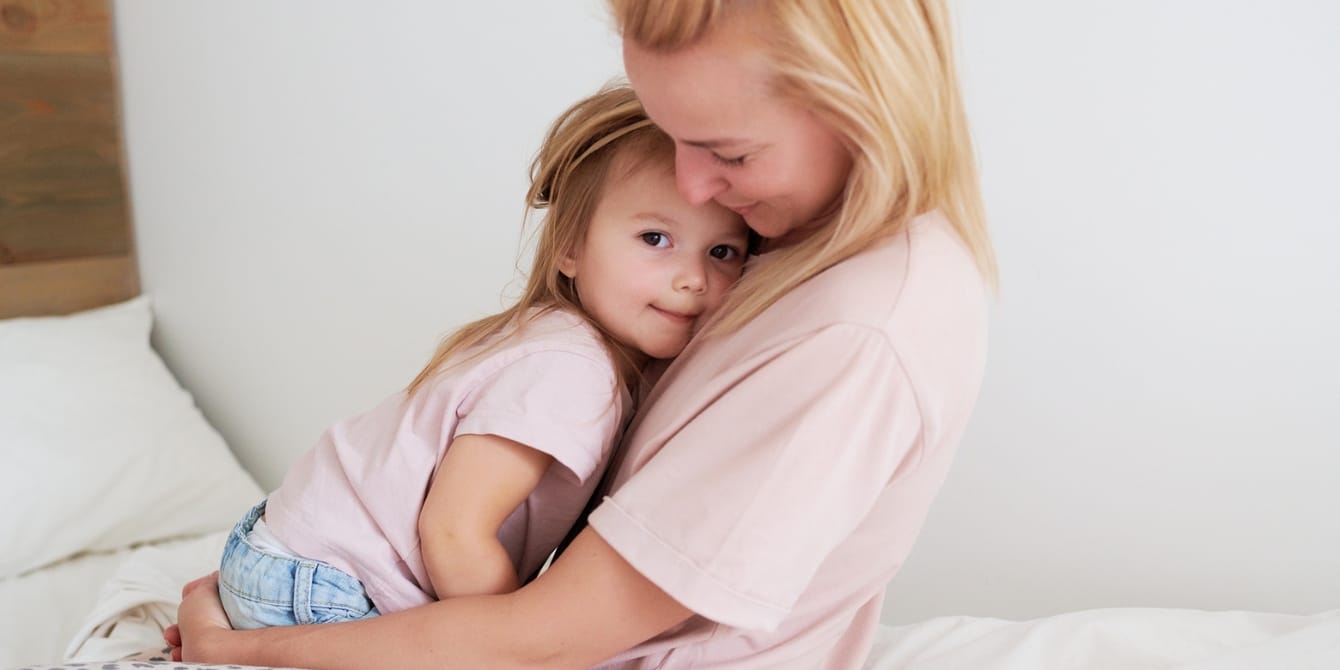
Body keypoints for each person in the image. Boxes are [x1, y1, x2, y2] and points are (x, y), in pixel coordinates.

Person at [169, 0, 997, 666]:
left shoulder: (854, 335)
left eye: (727, 153)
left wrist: (234, 647)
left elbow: (544, 637)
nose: (692, 182)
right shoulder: (781, 269)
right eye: (674, 141)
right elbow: (467, 544)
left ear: (858, 100)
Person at [212, 83, 750, 630]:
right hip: (329, 581)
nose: (694, 278)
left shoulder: (566, 343)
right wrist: (514, 644)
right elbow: (454, 531)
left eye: (723, 252)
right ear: (570, 247)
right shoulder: (571, 371)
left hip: (290, 553)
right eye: (655, 238)